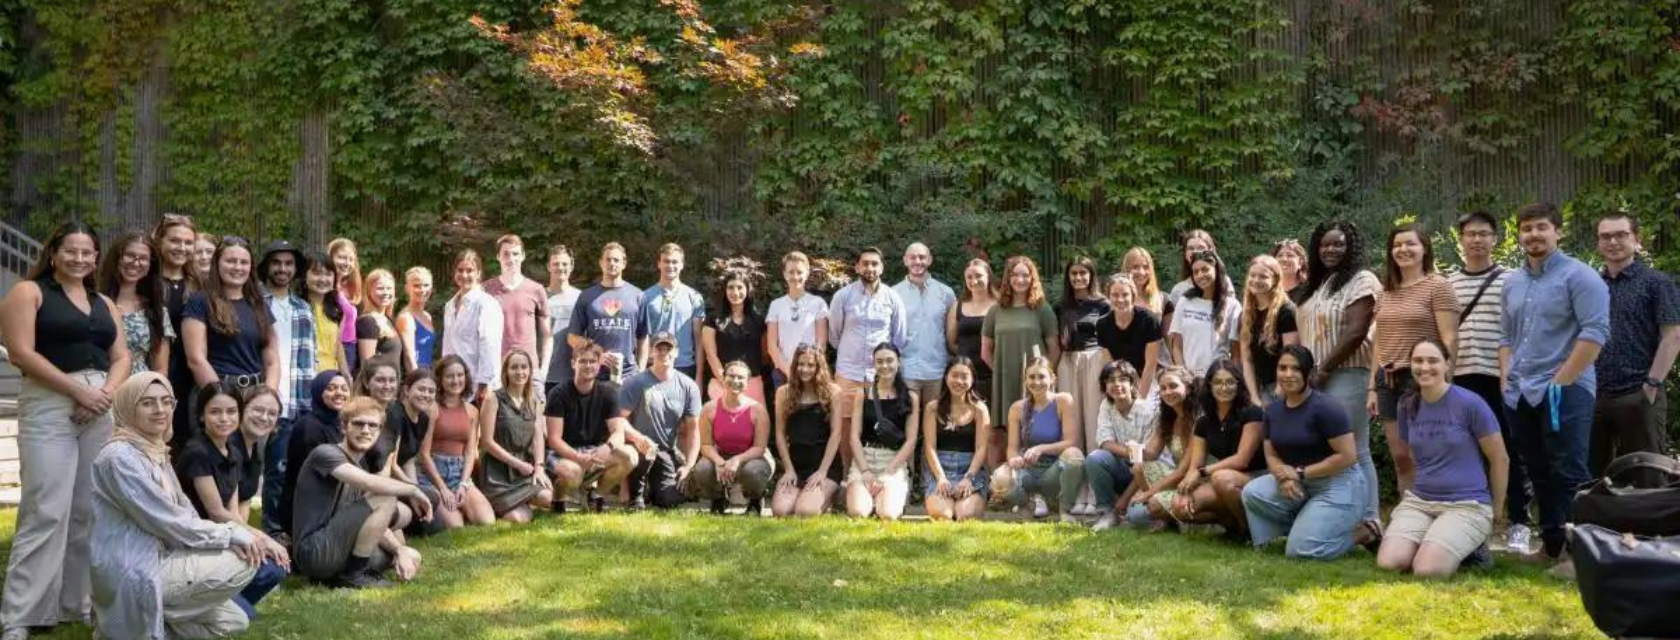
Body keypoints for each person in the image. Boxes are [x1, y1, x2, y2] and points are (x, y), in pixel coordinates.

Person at [0, 222, 128, 640]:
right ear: (53, 253)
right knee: (45, 510)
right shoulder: (29, 292)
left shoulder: (103, 302)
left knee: (90, 510)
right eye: (70, 251)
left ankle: (76, 603)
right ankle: (21, 614)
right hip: (50, 403)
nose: (79, 258)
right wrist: (78, 391)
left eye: (87, 252)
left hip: (100, 407)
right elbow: (20, 353)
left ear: (96, 257)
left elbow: (122, 357)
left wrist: (105, 393)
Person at [89, 373, 287, 639]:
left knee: (235, 620)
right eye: (147, 403)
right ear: (127, 406)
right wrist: (233, 535)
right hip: (137, 567)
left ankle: (152, 625)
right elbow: (168, 520)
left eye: (166, 402)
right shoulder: (119, 456)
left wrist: (239, 535)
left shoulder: (155, 450)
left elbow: (187, 511)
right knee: (244, 561)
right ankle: (132, 618)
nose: (160, 409)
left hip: (169, 555)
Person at [1499, 202, 1610, 566]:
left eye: (1541, 227)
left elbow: (1595, 333)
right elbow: (1506, 337)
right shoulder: (1512, 282)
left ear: (1558, 231)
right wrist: (1506, 377)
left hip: (1567, 390)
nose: (1533, 234)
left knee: (1569, 472)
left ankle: (1580, 557)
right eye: (1526, 228)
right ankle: (1551, 547)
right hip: (1521, 392)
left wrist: (1560, 382)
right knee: (1538, 471)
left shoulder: (1580, 277)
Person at [1376, 339, 1508, 577]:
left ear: (1447, 364)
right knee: (1390, 563)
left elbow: (1500, 459)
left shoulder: (1470, 403)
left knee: (1427, 570)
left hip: (1467, 504)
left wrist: (1496, 511)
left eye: (1433, 361)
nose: (1425, 367)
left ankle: (1473, 549)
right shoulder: (1407, 405)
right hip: (1421, 502)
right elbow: (1413, 459)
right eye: (1418, 361)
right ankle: (1436, 538)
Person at [1448, 210, 1531, 551]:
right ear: (1461, 240)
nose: (1477, 240)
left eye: (1484, 233)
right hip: (1460, 377)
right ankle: (1473, 522)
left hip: (1501, 378)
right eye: (1470, 234)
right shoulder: (1448, 282)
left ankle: (1520, 522)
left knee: (1511, 449)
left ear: (1495, 239)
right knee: (1465, 451)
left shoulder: (1513, 279)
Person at [1241, 345, 1368, 560]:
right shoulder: (1273, 411)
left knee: (1300, 551)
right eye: (1283, 368)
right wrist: (1283, 478)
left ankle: (1361, 534)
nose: (1288, 374)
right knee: (1252, 492)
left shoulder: (1326, 408)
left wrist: (1299, 473)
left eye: (1296, 369)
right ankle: (1304, 528)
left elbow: (1348, 456)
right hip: (1301, 482)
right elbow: (1271, 454)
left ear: (1309, 373)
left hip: (1337, 483)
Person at [174, 384, 288, 614]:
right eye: (215, 412)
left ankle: (228, 597)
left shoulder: (232, 451)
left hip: (222, 533)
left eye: (231, 411)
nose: (224, 418)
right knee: (245, 614)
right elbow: (216, 512)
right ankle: (220, 601)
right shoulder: (198, 452)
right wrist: (264, 539)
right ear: (202, 416)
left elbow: (233, 511)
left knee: (276, 568)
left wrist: (248, 539)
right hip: (195, 540)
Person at [291, 397, 427, 588]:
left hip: (338, 543)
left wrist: (400, 550)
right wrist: (413, 490)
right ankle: (354, 575)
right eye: (358, 424)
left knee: (411, 555)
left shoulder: (359, 465)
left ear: (379, 431)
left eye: (373, 426)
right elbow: (370, 483)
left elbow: (370, 519)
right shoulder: (326, 453)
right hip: (314, 550)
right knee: (385, 496)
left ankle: (341, 575)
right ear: (344, 427)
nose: (365, 430)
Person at [1297, 219, 1381, 529]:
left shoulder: (1362, 280)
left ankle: (1370, 520)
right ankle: (1343, 519)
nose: (1330, 249)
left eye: (1338, 244)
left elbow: (1356, 331)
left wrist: (1325, 369)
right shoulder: (1318, 283)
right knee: (1328, 451)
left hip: (1347, 374)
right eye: (1325, 244)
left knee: (1356, 449)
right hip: (1314, 378)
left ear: (1351, 247)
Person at [1369, 223, 1459, 500]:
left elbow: (1449, 338)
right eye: (1397, 245)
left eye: (1410, 243)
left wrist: (1445, 381)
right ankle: (1407, 512)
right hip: (1388, 379)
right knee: (1400, 455)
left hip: (1422, 377)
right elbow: (1380, 341)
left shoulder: (1438, 286)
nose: (1403, 249)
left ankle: (1436, 506)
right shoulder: (1385, 291)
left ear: (1424, 249)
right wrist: (1372, 387)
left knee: (1424, 451)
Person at [1591, 212, 1679, 476]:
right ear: (1598, 243)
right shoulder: (1592, 285)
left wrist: (1651, 384)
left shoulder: (1656, 282)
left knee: (1647, 478)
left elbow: (1673, 335)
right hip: (1595, 396)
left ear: (1637, 239)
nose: (1613, 242)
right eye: (1606, 236)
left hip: (1639, 395)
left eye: (1621, 235)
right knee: (1592, 479)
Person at [181, 237, 277, 449]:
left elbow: (272, 360)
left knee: (253, 462)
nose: (238, 267)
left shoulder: (258, 304)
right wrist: (223, 399)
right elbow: (196, 359)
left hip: (255, 396)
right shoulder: (200, 301)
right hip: (215, 392)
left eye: (244, 262)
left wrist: (267, 397)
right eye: (231, 261)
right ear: (217, 263)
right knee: (217, 461)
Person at [257, 240, 316, 537]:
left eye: (288, 264)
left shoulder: (303, 308)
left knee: (295, 469)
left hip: (299, 400)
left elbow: (310, 357)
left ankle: (294, 530)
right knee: (273, 472)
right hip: (265, 398)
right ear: (267, 266)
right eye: (277, 263)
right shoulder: (255, 302)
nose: (282, 268)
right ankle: (272, 531)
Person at [1169, 360, 1265, 538]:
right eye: (1218, 382)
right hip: (1227, 480)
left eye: (1230, 382)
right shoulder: (1204, 422)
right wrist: (1186, 490)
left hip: (1258, 476)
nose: (1224, 387)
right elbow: (1194, 466)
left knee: (1221, 478)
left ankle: (1249, 531)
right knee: (1178, 506)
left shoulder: (1253, 413)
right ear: (1209, 386)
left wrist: (1203, 472)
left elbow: (1242, 460)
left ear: (1239, 385)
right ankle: (1232, 526)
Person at [544, 343, 639, 513]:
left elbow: (618, 432)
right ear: (573, 363)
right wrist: (577, 457)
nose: (588, 366)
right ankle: (558, 500)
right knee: (573, 473)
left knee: (630, 456)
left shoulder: (608, 393)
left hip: (595, 450)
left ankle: (596, 495)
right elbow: (554, 440)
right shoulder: (558, 394)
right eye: (583, 361)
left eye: (592, 361)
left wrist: (607, 447)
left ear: (599, 364)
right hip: (563, 452)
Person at [990, 356, 1084, 523]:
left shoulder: (1063, 401)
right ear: (1025, 380)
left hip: (1053, 471)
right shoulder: (1017, 408)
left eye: (1041, 376)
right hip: (1028, 470)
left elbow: (1071, 442)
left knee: (1074, 454)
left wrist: (1041, 448)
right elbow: (1012, 448)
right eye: (1031, 377)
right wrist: (1014, 459)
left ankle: (1064, 508)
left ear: (1052, 379)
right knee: (999, 478)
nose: (1036, 382)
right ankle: (1027, 504)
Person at [618, 332, 702, 509]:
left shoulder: (688, 386)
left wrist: (688, 466)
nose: (664, 353)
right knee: (643, 453)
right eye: (659, 349)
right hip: (637, 448)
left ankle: (653, 491)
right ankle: (635, 496)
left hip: (665, 451)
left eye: (668, 349)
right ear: (651, 352)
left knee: (669, 499)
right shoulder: (634, 383)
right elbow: (619, 421)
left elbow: (693, 430)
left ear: (676, 352)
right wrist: (637, 438)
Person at [1055, 257, 1112, 518]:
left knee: (1093, 424)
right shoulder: (1060, 306)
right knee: (1073, 426)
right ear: (1068, 277)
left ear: (1091, 275)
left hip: (1094, 361)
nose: (1078, 278)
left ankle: (1095, 491)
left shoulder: (1103, 304)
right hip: (1067, 363)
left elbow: (1109, 339)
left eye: (1083, 273)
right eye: (1074, 273)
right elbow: (1055, 342)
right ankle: (1077, 491)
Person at [828, 247, 908, 427]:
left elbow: (899, 339)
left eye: (874, 264)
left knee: (879, 426)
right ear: (857, 267)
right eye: (865, 264)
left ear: (881, 268)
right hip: (848, 373)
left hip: (881, 377)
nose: (869, 268)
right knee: (845, 426)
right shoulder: (842, 296)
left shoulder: (893, 298)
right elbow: (834, 335)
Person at [846, 343, 920, 521]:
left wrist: (889, 471)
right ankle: (862, 494)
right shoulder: (863, 393)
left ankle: (890, 495)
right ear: (874, 364)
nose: (884, 365)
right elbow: (854, 436)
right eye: (879, 361)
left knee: (888, 514)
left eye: (889, 360)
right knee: (858, 513)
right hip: (865, 459)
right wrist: (865, 471)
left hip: (893, 461)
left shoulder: (911, 397)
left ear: (898, 362)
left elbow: (911, 441)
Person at [689, 361, 774, 514]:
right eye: (731, 376)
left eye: (741, 378)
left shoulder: (758, 411)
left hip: (752, 457)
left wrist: (737, 460)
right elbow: (706, 445)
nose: (736, 381)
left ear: (747, 382)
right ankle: (718, 498)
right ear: (723, 378)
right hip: (721, 455)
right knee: (703, 469)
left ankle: (755, 499)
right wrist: (719, 462)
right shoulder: (709, 409)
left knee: (753, 471)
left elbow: (759, 448)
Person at [477, 350, 554, 522]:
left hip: (525, 469)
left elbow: (538, 437)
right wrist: (517, 464)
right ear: (506, 371)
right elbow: (486, 442)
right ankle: (500, 503)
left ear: (530, 371)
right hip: (497, 471)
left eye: (524, 367)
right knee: (520, 518)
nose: (520, 372)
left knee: (548, 498)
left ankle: (522, 500)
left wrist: (539, 467)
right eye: (514, 367)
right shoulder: (493, 398)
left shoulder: (534, 401)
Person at [419, 356, 495, 528]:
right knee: (455, 526)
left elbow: (469, 452)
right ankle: (446, 508)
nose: (456, 380)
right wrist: (442, 488)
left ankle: (461, 503)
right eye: (449, 376)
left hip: (459, 473)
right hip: (433, 475)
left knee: (487, 521)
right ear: (440, 379)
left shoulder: (472, 411)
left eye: (460, 375)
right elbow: (424, 454)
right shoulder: (432, 409)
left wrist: (463, 484)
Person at [982, 255, 1058, 425]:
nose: (1020, 279)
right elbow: (985, 351)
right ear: (1008, 278)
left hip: (1036, 381)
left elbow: (1054, 349)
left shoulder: (1042, 308)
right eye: (1015, 275)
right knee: (1009, 429)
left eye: (1025, 275)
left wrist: (1043, 376)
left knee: (1039, 426)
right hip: (1005, 381)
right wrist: (1001, 372)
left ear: (1032, 279)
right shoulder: (995, 311)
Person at [770, 345, 843, 517]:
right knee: (780, 511)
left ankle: (833, 493)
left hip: (824, 465)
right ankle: (806, 495)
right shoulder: (783, 393)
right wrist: (789, 469)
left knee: (805, 512)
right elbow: (780, 433)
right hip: (796, 464)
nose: (805, 369)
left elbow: (836, 434)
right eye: (800, 364)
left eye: (810, 365)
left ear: (819, 367)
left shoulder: (833, 392)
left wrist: (822, 471)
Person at [1085, 360, 1159, 532]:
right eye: (1111, 380)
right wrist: (1133, 452)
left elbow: (1146, 460)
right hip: (1123, 468)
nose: (1117, 384)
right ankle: (1106, 513)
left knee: (1137, 518)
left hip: (1146, 475)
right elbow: (1104, 442)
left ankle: (1135, 507)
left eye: (1123, 379)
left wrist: (1125, 498)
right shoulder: (1106, 406)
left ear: (1132, 383)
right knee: (1095, 459)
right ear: (1104, 385)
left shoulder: (1149, 412)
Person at [1127, 366, 1200, 530]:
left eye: (1173, 386)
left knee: (1141, 511)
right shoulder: (1167, 418)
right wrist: (1132, 448)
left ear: (1188, 388)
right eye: (1163, 388)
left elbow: (1182, 471)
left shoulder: (1197, 419)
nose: (1167, 392)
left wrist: (1147, 494)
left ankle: (1165, 512)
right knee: (1138, 467)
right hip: (1178, 479)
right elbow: (1150, 454)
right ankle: (1165, 517)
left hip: (1195, 480)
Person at [280, 371, 351, 538]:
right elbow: (322, 476)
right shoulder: (310, 427)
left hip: (331, 500)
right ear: (318, 391)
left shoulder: (340, 423)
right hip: (307, 512)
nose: (339, 393)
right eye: (331, 388)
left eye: (344, 388)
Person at [921, 358, 991, 522]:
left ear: (972, 380)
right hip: (940, 468)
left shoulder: (979, 409)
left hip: (970, 468)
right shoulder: (933, 408)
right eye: (954, 375)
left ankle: (964, 503)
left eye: (964, 376)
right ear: (946, 377)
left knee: (966, 516)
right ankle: (945, 503)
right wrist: (940, 478)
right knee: (942, 515)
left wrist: (968, 478)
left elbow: (981, 448)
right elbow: (929, 447)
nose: (959, 381)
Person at [945, 259, 999, 467]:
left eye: (978, 276)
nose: (974, 280)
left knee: (993, 431)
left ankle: (995, 477)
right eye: (969, 276)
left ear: (988, 277)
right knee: (968, 428)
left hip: (992, 375)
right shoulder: (958, 306)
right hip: (965, 380)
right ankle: (971, 473)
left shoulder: (999, 304)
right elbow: (951, 342)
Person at [152, 214, 199, 448]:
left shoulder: (200, 285)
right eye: (175, 241)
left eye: (188, 242)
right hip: (155, 372)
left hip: (191, 376)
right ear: (160, 240)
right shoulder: (147, 282)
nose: (182, 247)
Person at [98, 231, 171, 375]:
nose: (136, 263)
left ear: (150, 266)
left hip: (140, 384)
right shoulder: (94, 302)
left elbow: (161, 368)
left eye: (143, 258)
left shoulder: (157, 311)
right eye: (130, 255)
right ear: (116, 258)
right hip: (100, 382)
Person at [569, 242, 645, 381]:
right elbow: (572, 337)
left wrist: (641, 370)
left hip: (629, 374)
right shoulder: (587, 296)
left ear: (624, 264)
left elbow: (643, 337)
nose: (612, 263)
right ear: (601, 263)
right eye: (608, 259)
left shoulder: (637, 295)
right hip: (595, 374)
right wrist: (596, 354)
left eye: (616, 260)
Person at [894, 242, 956, 405]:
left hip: (937, 368)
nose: (917, 261)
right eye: (912, 257)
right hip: (906, 368)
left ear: (930, 260)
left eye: (922, 257)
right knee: (909, 416)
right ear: (905, 260)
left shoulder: (946, 293)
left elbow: (951, 332)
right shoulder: (894, 293)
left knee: (933, 414)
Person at [440, 249, 504, 401]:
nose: (464, 275)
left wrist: (484, 384)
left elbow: (489, 345)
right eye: (460, 270)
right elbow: (448, 345)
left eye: (469, 270)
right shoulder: (450, 306)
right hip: (453, 384)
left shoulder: (486, 304)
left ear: (478, 273)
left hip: (477, 386)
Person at [483, 235, 550, 374]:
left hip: (529, 370)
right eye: (506, 254)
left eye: (515, 254)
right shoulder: (486, 290)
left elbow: (547, 335)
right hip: (496, 370)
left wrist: (544, 369)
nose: (511, 258)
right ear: (498, 256)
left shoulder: (536, 289)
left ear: (523, 256)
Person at [1169, 250, 1242, 378]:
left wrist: (1231, 378)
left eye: (1205, 269)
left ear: (1217, 270)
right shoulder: (1185, 301)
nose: (1200, 275)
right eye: (1195, 272)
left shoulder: (1232, 305)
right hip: (1189, 378)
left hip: (1219, 379)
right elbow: (1177, 346)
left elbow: (1236, 353)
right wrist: (1184, 374)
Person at [640, 243, 705, 384]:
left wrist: (699, 377)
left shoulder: (694, 297)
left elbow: (699, 340)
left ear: (682, 265)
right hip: (653, 366)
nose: (670, 265)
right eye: (666, 261)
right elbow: (641, 338)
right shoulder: (644, 297)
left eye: (675, 262)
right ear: (659, 264)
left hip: (684, 367)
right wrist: (640, 372)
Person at [766, 251, 829, 395]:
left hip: (811, 372)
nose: (795, 276)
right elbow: (771, 346)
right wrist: (790, 373)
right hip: (783, 373)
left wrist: (807, 368)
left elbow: (821, 343)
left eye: (799, 272)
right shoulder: (776, 305)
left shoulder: (818, 303)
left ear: (807, 273)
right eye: (791, 272)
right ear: (784, 274)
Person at [1237, 255, 1298, 404]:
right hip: (1257, 387)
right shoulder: (1246, 314)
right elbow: (1247, 359)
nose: (1256, 280)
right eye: (1252, 275)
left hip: (1281, 386)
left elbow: (1291, 356)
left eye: (1263, 276)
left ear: (1275, 280)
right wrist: (1254, 396)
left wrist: (1278, 393)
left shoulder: (1286, 311)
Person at [701, 271, 767, 404]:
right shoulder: (713, 320)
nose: (735, 292)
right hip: (722, 384)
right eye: (730, 287)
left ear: (747, 290)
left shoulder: (759, 321)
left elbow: (765, 354)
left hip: (752, 383)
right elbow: (711, 355)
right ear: (725, 291)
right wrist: (727, 381)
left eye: (740, 287)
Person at [1095, 275, 1161, 399]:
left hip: (1147, 379)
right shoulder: (1102, 324)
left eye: (1125, 294)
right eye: (1115, 295)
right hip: (1120, 381)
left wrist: (1140, 397)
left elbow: (1151, 363)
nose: (1120, 299)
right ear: (1108, 297)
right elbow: (1110, 364)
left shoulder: (1149, 320)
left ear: (1133, 296)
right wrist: (1122, 389)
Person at [303, 250, 349, 376]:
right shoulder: (297, 308)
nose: (323, 279)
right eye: (317, 273)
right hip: (306, 374)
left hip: (331, 376)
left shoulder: (337, 310)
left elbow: (337, 345)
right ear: (304, 276)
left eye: (328, 274)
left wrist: (346, 374)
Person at [542, 245, 581, 394]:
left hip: (575, 375)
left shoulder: (581, 298)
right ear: (548, 266)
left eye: (564, 264)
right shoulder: (539, 297)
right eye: (556, 264)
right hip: (544, 375)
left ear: (571, 266)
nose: (560, 267)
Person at [326, 238, 363, 375]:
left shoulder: (347, 288)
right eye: (342, 257)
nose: (347, 263)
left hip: (350, 347)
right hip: (334, 348)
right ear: (330, 257)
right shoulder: (326, 287)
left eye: (350, 259)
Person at [356, 270, 406, 371]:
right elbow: (367, 366)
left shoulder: (388, 320)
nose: (386, 292)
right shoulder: (368, 322)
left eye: (389, 288)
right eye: (380, 288)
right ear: (369, 292)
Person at [395, 267, 436, 371]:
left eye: (426, 285)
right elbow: (409, 358)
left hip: (428, 372)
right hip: (416, 374)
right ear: (407, 288)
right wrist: (417, 378)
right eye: (417, 285)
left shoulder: (427, 316)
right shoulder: (406, 318)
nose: (422, 290)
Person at [1122, 246, 1168, 318]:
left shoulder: (1163, 299)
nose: (1141, 272)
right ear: (1127, 269)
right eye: (1135, 267)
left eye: (1146, 267)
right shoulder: (1118, 299)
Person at [1271, 239, 1310, 304]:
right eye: (1280, 255)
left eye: (1290, 255)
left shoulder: (1309, 291)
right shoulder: (1267, 289)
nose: (1284, 259)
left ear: (1300, 262)